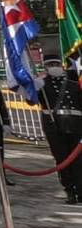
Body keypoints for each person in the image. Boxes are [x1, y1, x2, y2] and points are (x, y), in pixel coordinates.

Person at [37, 58, 82, 204]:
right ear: (45, 67)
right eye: (50, 65)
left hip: (75, 126)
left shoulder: (73, 84)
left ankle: (80, 190)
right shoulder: (42, 85)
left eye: (56, 64)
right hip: (55, 127)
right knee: (62, 160)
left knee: (79, 161)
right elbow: (31, 101)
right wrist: (33, 87)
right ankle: (70, 190)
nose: (54, 67)